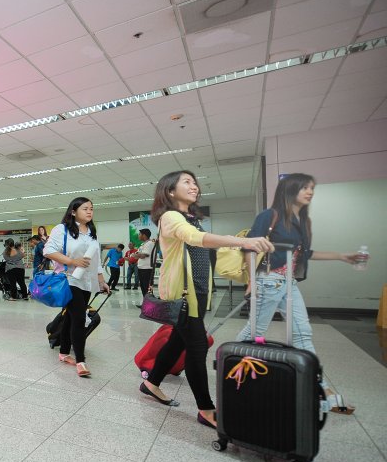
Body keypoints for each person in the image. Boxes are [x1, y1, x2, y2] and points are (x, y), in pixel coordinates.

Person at [138, 171, 273, 428]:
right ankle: (206, 409)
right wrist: (242, 241)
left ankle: (151, 383)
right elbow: (196, 239)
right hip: (182, 291)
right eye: (187, 182)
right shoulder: (170, 216)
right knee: (197, 347)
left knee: (178, 340)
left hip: (197, 289)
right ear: (170, 191)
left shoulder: (190, 217)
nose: (194, 186)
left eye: (194, 182)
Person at [233, 173, 362, 414]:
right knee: (255, 332)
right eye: (304, 187)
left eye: (312, 187)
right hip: (269, 281)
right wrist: (251, 281)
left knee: (303, 333)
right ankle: (232, 368)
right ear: (289, 190)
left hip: (289, 283)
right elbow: (249, 247)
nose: (310, 191)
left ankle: (320, 390)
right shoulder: (270, 216)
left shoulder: (302, 221)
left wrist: (341, 256)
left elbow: (305, 253)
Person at [43, 197, 111, 377]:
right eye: (85, 208)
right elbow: (48, 250)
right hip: (69, 280)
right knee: (79, 319)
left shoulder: (92, 232)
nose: (89, 211)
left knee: (70, 318)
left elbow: (95, 260)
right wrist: (72, 261)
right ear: (73, 212)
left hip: (87, 281)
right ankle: (81, 361)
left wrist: (101, 281)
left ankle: (64, 352)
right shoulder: (62, 229)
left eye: (91, 208)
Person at [135, 229, 156, 301]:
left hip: (147, 268)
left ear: (144, 235)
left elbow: (143, 255)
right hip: (141, 268)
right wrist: (137, 255)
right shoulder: (143, 244)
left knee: (147, 287)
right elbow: (137, 255)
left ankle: (150, 304)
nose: (138, 236)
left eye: (139, 234)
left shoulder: (150, 243)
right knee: (143, 287)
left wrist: (137, 255)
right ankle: (146, 303)